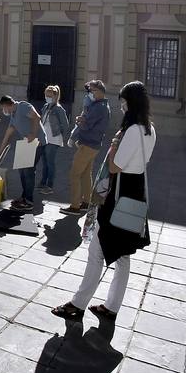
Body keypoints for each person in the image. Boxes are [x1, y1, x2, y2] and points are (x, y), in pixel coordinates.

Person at [53, 81, 156, 321]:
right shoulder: (150, 129)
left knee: (97, 250)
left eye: (124, 102)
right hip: (135, 191)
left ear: (131, 103)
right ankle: (111, 307)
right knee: (122, 254)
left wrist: (113, 147)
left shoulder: (131, 130)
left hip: (119, 193)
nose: (122, 106)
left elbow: (114, 165)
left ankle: (77, 305)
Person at [62, 80, 112, 215]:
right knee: (85, 174)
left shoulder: (98, 107)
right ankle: (86, 202)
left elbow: (87, 125)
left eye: (91, 91)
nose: (89, 94)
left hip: (88, 145)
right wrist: (82, 120)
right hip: (93, 145)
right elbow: (88, 122)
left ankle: (74, 206)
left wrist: (80, 121)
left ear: (100, 91)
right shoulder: (101, 105)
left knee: (74, 174)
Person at [0, 94, 42, 210]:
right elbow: (8, 133)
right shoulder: (13, 115)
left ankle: (29, 201)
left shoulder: (23, 106)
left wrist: (33, 134)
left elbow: (37, 117)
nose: (3, 110)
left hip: (37, 142)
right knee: (21, 170)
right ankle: (24, 197)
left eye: (3, 108)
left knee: (28, 171)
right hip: (26, 143)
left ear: (7, 105)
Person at [36, 84, 70, 195]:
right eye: (46, 95)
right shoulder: (46, 106)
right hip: (45, 138)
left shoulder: (59, 109)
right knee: (45, 162)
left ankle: (49, 185)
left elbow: (65, 125)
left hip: (54, 138)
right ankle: (42, 183)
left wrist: (65, 138)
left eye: (50, 96)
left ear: (55, 96)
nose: (47, 97)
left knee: (50, 163)